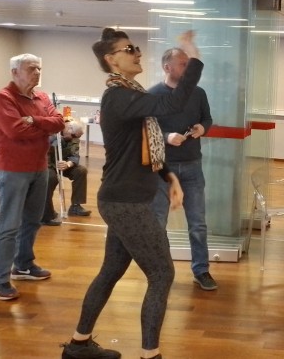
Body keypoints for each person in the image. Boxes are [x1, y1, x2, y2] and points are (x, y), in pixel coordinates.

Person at [61, 28, 203, 359]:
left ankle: (78, 346)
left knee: (111, 271)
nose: (137, 53)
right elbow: (173, 100)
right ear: (111, 59)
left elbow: (140, 148)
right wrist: (193, 56)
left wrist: (168, 176)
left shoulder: (130, 94)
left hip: (125, 199)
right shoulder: (119, 97)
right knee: (162, 273)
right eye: (129, 49)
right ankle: (150, 354)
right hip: (125, 202)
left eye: (136, 47)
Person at [0, 54, 65, 300]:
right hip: (13, 169)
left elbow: (59, 123)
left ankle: (23, 265)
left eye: (39, 68)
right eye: (31, 68)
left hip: (39, 168)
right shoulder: (3, 98)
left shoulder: (42, 97)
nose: (37, 72)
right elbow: (15, 131)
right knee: (8, 226)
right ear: (15, 72)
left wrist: (33, 120)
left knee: (32, 221)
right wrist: (44, 126)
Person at [148, 44, 216, 291]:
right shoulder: (153, 95)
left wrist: (202, 128)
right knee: (158, 222)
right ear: (167, 67)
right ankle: (161, 271)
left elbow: (207, 118)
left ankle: (201, 270)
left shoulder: (198, 93)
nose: (188, 69)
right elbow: (147, 130)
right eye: (183, 64)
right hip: (162, 168)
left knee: (198, 223)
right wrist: (167, 136)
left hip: (192, 165)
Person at [42, 119, 91, 226]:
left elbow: (75, 156)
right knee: (50, 178)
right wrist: (58, 139)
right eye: (74, 136)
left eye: (78, 136)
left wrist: (68, 164)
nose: (75, 138)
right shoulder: (53, 130)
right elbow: (43, 144)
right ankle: (46, 213)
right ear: (68, 129)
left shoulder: (74, 137)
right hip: (47, 164)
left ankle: (76, 206)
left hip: (63, 164)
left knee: (81, 171)